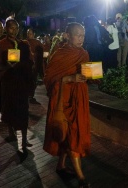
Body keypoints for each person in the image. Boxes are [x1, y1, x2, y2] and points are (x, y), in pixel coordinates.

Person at [44, 22, 91, 188]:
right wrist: (69, 78)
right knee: (71, 134)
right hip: (63, 99)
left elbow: (86, 73)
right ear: (68, 36)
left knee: (72, 132)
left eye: (83, 35)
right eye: (77, 35)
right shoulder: (59, 54)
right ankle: (81, 177)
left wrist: (93, 75)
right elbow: (49, 79)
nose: (81, 38)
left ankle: (61, 165)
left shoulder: (84, 53)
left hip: (78, 98)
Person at [0, 19, 33, 151]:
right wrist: (6, 67)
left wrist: (21, 65)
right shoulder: (0, 45)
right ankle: (11, 133)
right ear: (6, 29)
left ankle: (24, 138)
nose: (13, 30)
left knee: (22, 110)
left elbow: (30, 62)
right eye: (11, 28)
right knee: (8, 109)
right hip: (8, 83)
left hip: (20, 83)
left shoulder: (23, 44)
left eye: (16, 28)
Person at [26, 28, 43, 104]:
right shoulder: (24, 42)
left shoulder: (38, 42)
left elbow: (42, 53)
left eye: (30, 33)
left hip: (35, 65)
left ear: (34, 34)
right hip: (26, 65)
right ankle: (27, 96)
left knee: (33, 81)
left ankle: (31, 96)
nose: (29, 35)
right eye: (28, 33)